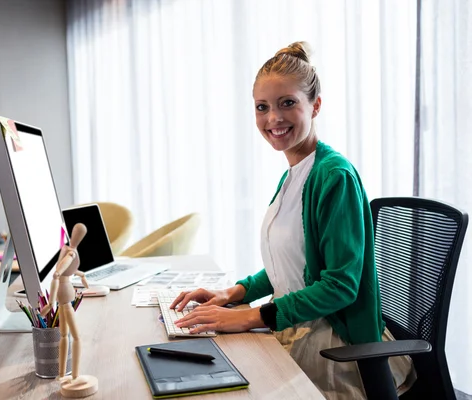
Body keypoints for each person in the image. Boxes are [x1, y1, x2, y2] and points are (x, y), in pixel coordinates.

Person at [170, 41, 415, 399]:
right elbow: (291, 266)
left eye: (288, 103)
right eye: (262, 107)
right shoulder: (295, 173)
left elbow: (340, 286)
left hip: (334, 346)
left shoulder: (334, 176)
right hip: (295, 324)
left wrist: (250, 316)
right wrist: (233, 293)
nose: (273, 118)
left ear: (315, 105)